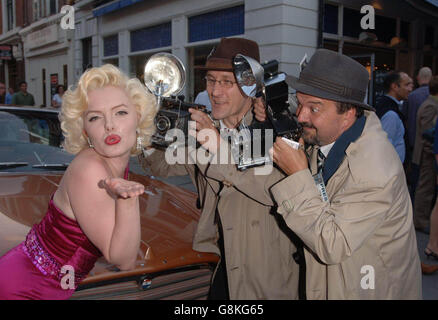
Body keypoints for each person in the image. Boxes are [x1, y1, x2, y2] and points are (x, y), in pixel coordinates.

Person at [195, 49, 422, 299]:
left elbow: (332, 243)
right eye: (300, 103)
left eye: (313, 109)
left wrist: (297, 174)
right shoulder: (326, 141)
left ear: (348, 114)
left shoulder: (375, 167)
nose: (301, 116)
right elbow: (270, 185)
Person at [141, 37, 300, 300]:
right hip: (222, 265)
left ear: (251, 86)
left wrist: (216, 147)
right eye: (211, 81)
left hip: (266, 273)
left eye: (227, 82)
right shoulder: (205, 127)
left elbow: (274, 190)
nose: (215, 91)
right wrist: (145, 134)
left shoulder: (273, 128)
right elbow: (162, 166)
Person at [0, 64, 157, 299]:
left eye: (120, 112)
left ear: (138, 117)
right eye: (95, 117)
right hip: (25, 289)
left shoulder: (113, 166)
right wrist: (128, 199)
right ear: (85, 131)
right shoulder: (89, 169)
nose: (110, 125)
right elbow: (123, 260)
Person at [412, 76, 438, 233]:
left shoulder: (431, 103)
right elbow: (428, 134)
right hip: (427, 155)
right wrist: (431, 152)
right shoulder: (431, 106)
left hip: (428, 154)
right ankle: (420, 221)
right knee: (425, 189)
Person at [375, 71, 413, 163]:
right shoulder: (390, 114)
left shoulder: (390, 108)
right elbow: (385, 147)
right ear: (395, 86)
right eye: (407, 85)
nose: (410, 89)